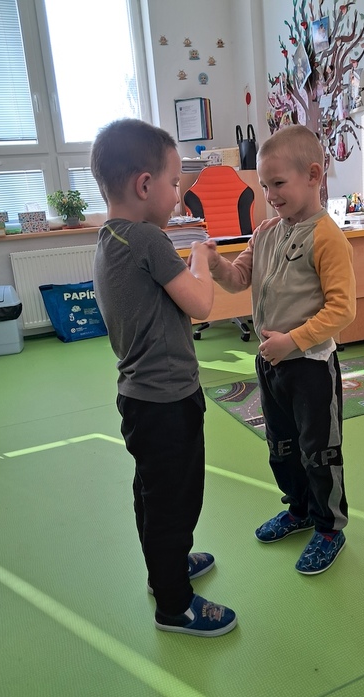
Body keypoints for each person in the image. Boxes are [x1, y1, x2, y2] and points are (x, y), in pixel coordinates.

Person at [90, 118, 237, 636]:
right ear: (144, 184)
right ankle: (174, 603)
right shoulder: (148, 239)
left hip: (139, 399)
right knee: (175, 499)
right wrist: (199, 257)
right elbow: (200, 304)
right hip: (168, 401)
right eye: (175, 183)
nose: (179, 196)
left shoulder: (108, 238)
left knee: (153, 493)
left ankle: (164, 569)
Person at [205, 124, 356, 575]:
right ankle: (300, 509)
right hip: (272, 365)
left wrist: (293, 340)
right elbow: (238, 278)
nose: (269, 195)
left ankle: (329, 527)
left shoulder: (327, 237)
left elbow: (342, 309)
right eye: (264, 185)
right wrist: (215, 264)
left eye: (278, 184)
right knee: (282, 446)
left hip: (310, 365)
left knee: (319, 450)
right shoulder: (266, 231)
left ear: (313, 175)